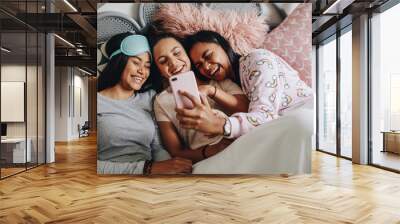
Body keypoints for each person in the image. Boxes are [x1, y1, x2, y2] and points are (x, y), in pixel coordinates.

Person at [176, 30, 313, 139]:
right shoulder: (230, 84)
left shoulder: (256, 60)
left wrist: (220, 125)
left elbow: (265, 116)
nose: (206, 67)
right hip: (284, 130)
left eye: (208, 56)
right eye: (199, 65)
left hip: (307, 118)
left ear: (223, 46)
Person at [97, 32, 192, 175]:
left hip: (150, 176)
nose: (142, 71)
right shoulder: (96, 102)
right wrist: (147, 168)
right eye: (136, 62)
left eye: (147, 66)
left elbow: (158, 148)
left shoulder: (150, 98)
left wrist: (172, 167)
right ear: (119, 61)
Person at [148, 29, 249, 163]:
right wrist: (207, 152)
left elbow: (247, 108)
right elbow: (175, 151)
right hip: (206, 158)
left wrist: (212, 91)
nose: (173, 63)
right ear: (159, 71)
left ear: (187, 53)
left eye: (177, 53)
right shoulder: (161, 101)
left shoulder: (217, 80)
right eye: (163, 61)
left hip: (240, 142)